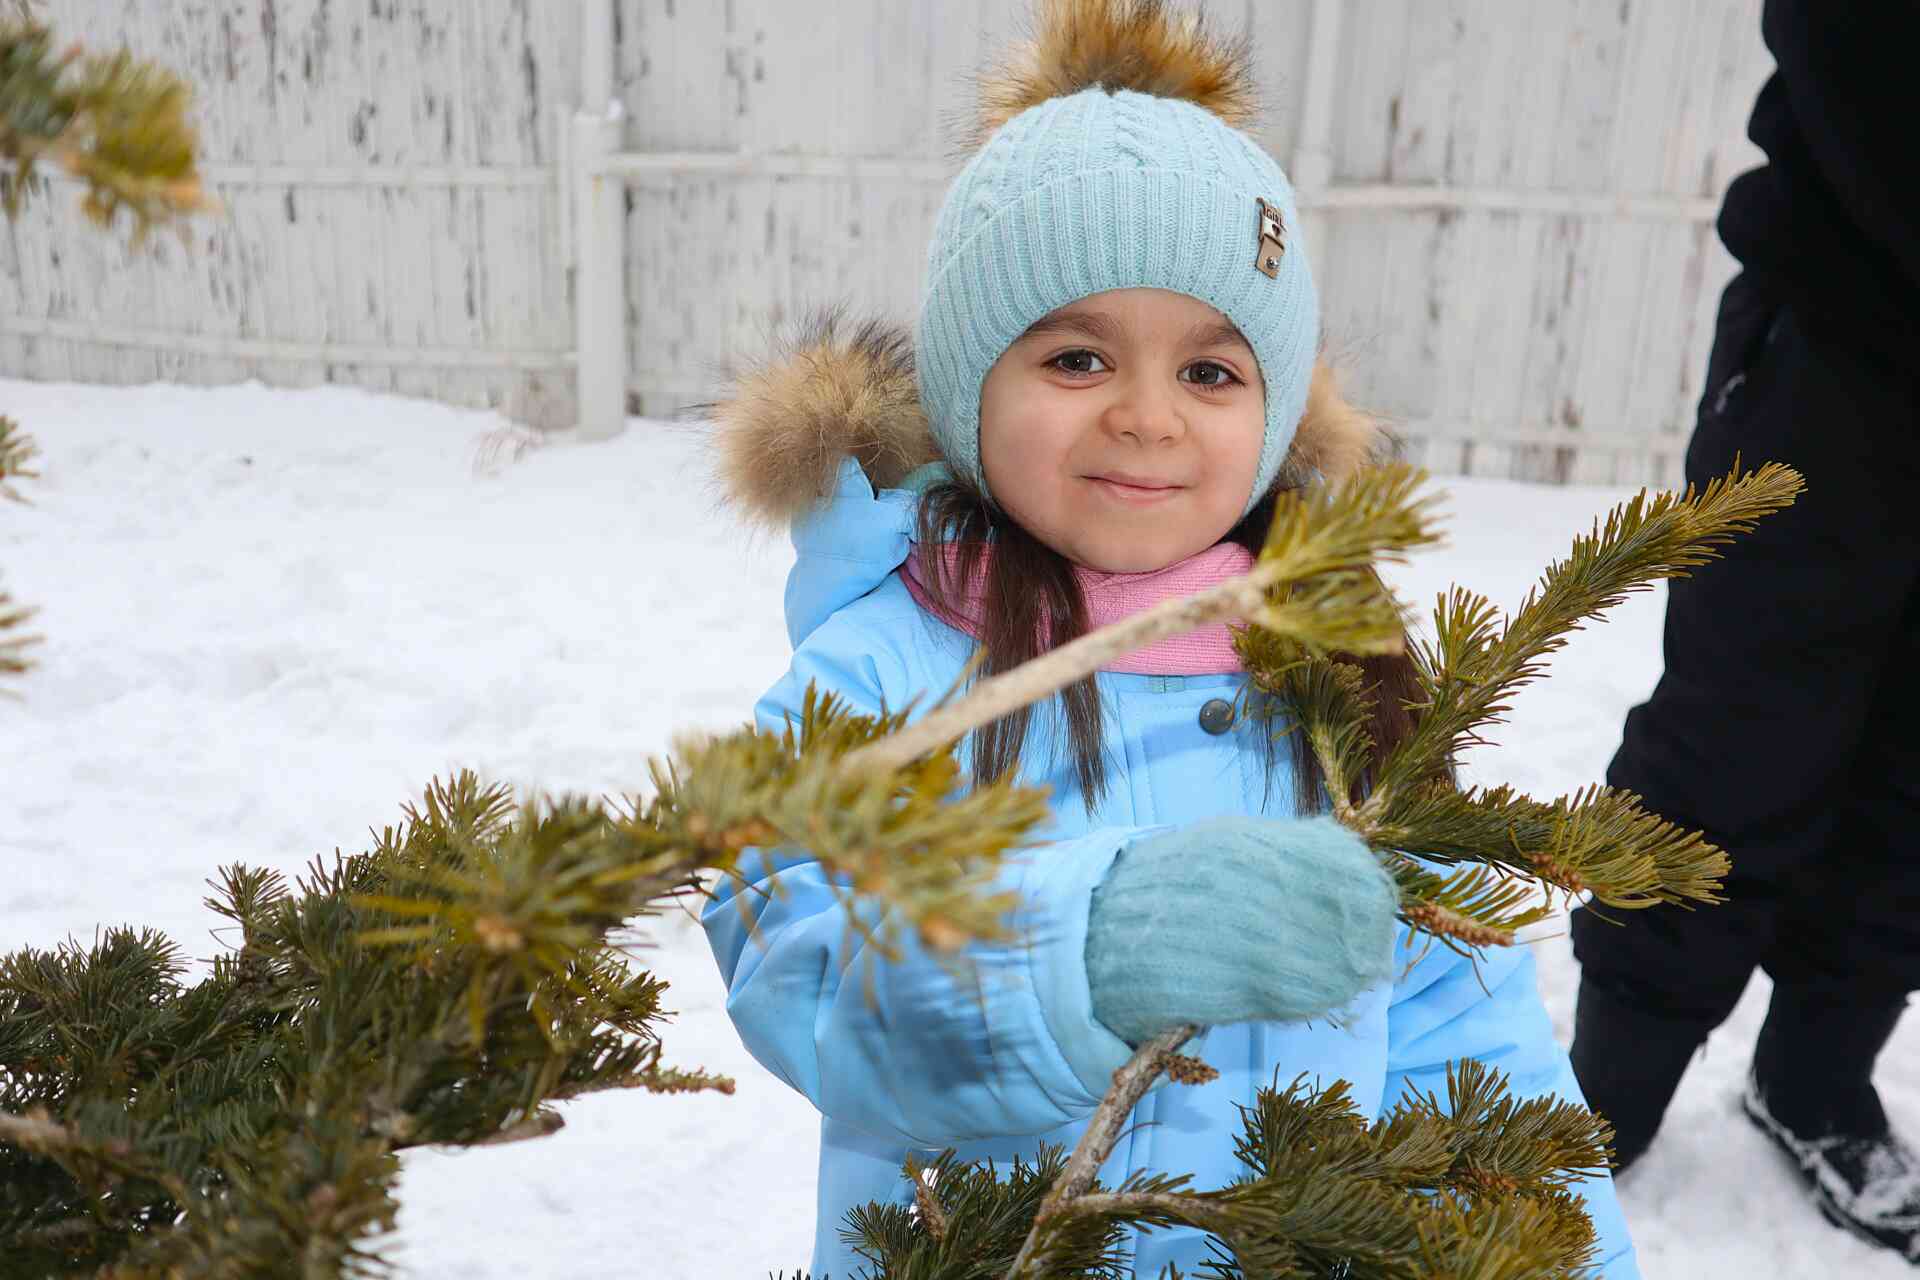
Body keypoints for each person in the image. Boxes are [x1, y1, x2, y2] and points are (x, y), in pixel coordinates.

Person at [702, 2, 1635, 1275]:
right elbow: (785, 946)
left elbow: (1462, 1027)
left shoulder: (1336, 667)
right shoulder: (889, 667)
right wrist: (1077, 947)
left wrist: (1559, 1251)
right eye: (1079, 357)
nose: (1149, 420)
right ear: (973, 388)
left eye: (1211, 372)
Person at [1568, 0, 1920, 1264]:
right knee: (1735, 740)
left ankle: (1816, 1078)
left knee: (1915, 780)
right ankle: (1604, 1096)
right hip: (1847, 339)